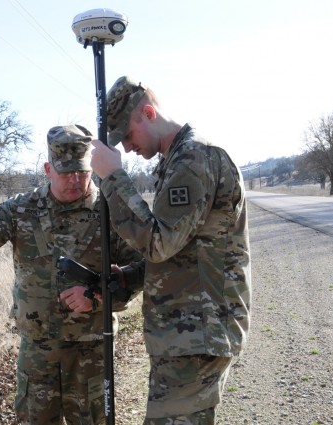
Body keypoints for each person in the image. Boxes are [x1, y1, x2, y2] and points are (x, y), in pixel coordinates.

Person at [0, 124, 143, 425]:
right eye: (65, 172)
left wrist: (97, 296)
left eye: (82, 172)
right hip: (38, 351)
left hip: (92, 350)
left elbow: (141, 269)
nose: (74, 180)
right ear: (48, 168)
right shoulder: (22, 209)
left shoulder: (111, 212)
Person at [89, 76, 252, 425]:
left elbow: (158, 243)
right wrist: (131, 276)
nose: (128, 149)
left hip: (198, 332)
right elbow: (183, 250)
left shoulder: (195, 159)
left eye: (127, 137)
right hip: (185, 332)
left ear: (148, 113)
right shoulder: (177, 160)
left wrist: (114, 178)